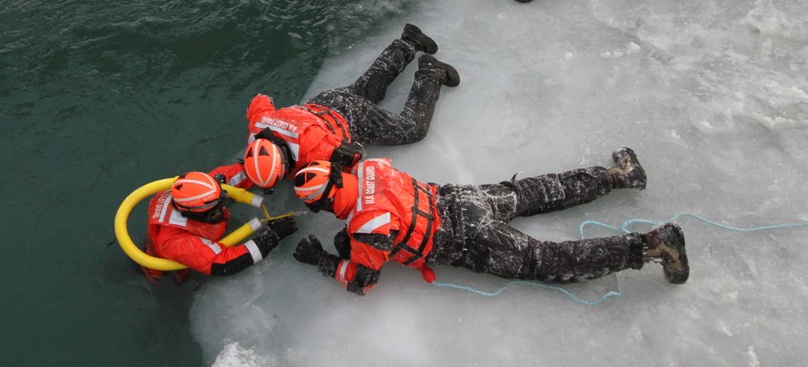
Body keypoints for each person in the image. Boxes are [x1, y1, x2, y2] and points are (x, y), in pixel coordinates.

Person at [290, 148, 689, 295]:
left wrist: (322, 261)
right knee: (533, 192)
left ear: (322, 205)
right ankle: (617, 175)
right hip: (462, 200)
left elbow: (363, 280)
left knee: (547, 261)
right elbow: (351, 153)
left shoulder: (366, 230)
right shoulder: (370, 168)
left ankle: (652, 244)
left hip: (467, 240)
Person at [241, 23, 460, 190]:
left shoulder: (314, 150)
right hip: (325, 102)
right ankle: (409, 41)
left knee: (413, 129)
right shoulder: (259, 124)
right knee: (367, 90)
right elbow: (260, 101)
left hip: (348, 116)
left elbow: (354, 155)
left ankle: (431, 73)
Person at [141, 162, 298, 283]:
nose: (221, 209)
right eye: (215, 208)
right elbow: (224, 264)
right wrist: (271, 236)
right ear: (193, 213)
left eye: (220, 202)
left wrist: (271, 166)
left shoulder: (203, 189)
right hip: (169, 273)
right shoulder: (177, 241)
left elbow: (242, 172)